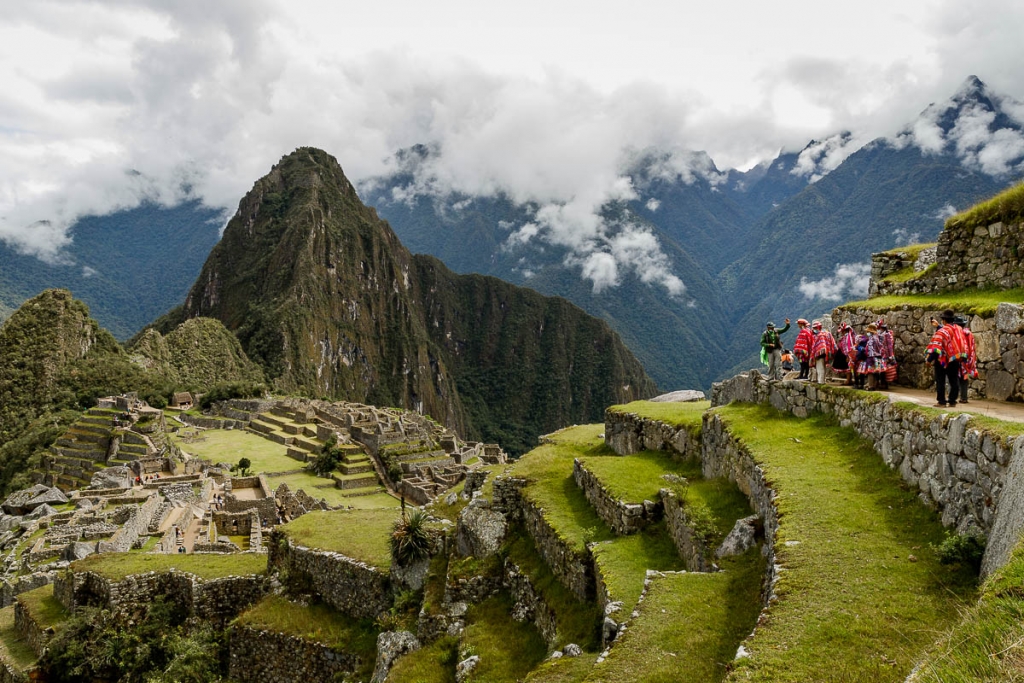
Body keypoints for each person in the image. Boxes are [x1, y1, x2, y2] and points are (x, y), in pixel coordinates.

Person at [926, 309, 968, 407]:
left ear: (944, 320)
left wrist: (929, 359)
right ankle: (952, 400)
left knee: (940, 380)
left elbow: (937, 347)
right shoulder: (959, 330)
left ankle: (941, 401)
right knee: (954, 380)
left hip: (942, 360)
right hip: (954, 358)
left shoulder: (942, 331)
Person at [956, 316, 978, 404]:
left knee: (956, 377)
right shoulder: (969, 333)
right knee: (964, 378)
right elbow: (972, 347)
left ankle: (953, 396)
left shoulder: (958, 333)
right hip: (967, 358)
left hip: (958, 358)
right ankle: (964, 397)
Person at [877, 319, 897, 390]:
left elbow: (890, 346)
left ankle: (884, 384)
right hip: (880, 355)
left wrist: (890, 356)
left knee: (884, 370)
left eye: (880, 328)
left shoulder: (887, 335)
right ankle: (881, 383)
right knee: (881, 369)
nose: (879, 329)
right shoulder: (880, 335)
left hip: (886, 355)